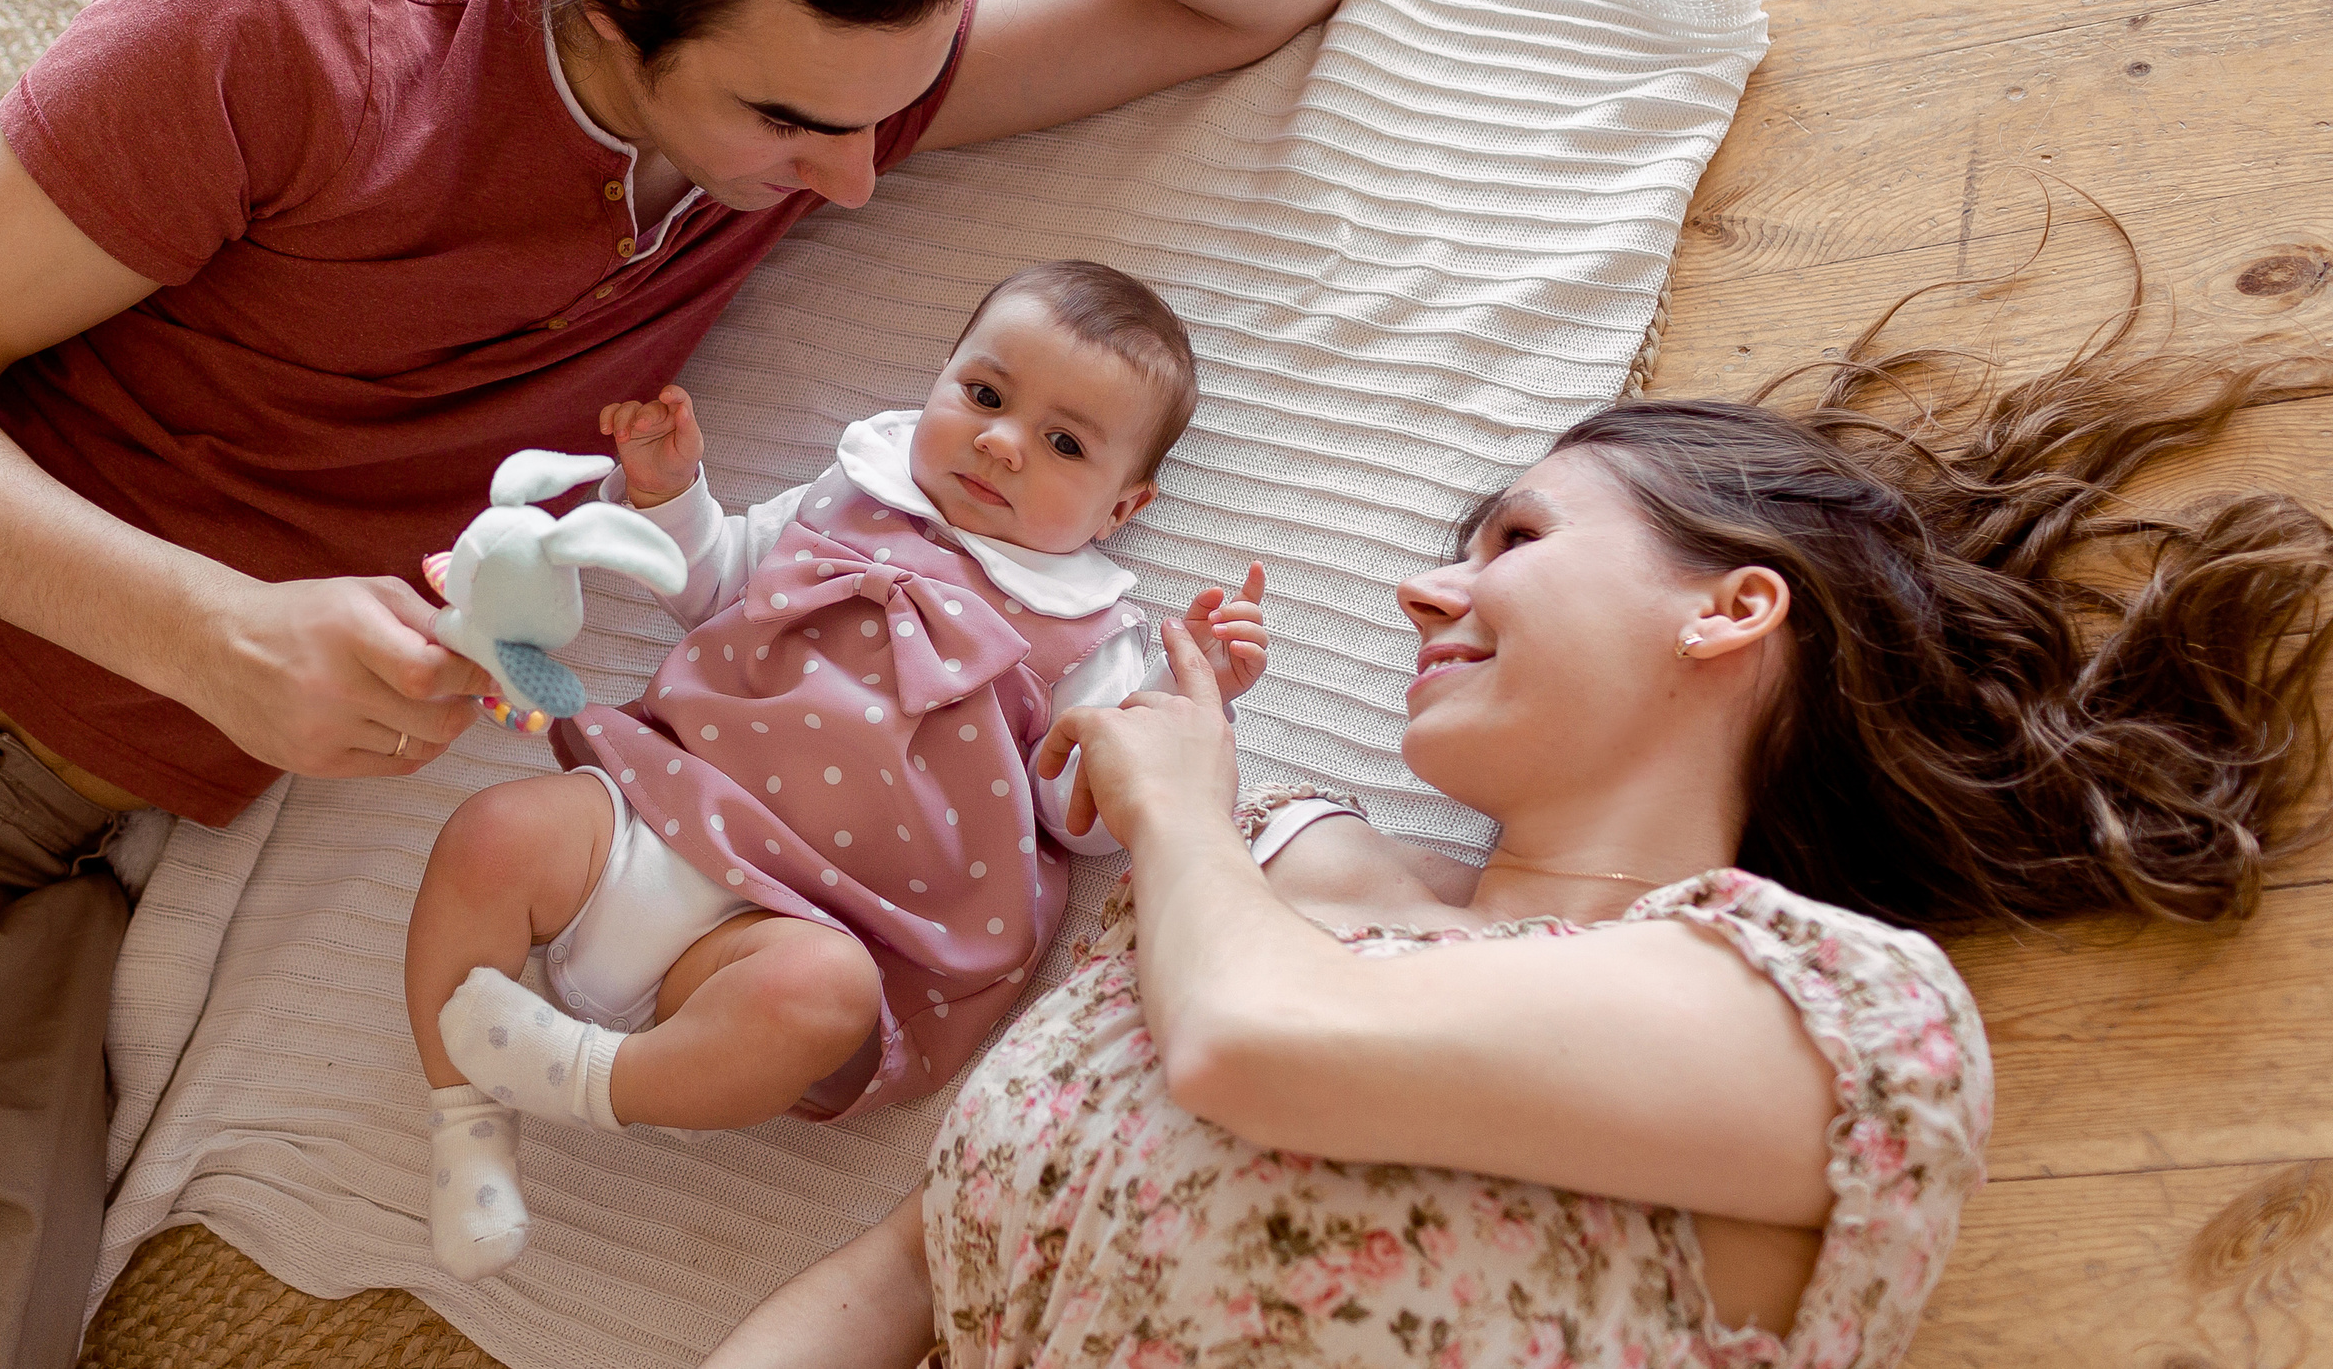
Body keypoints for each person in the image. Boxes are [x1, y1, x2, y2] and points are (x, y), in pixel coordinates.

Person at [0, 0, 1366, 1359]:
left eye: (885, 113)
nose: (854, 176)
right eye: (795, 122)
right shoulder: (281, 29)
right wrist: (212, 630)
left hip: (51, 873)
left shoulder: (813, 87)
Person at [698, 308, 2333, 1366]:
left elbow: (1257, 1044)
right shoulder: (1272, 862)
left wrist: (1179, 808)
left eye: (1517, 538)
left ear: (1733, 605)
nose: (1423, 587)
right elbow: (905, 1267)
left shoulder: (1830, 1016)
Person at [406, 260, 1271, 1280]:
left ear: (1121, 508)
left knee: (817, 1000)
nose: (1000, 441)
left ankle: (593, 1078)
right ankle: (464, 1125)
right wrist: (672, 496)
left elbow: (1081, 817)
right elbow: (719, 581)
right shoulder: (850, 494)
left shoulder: (1088, 635)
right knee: (494, 832)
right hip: (659, 804)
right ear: (940, 378)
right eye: (985, 396)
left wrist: (1190, 694)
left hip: (819, 927)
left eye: (1063, 443)